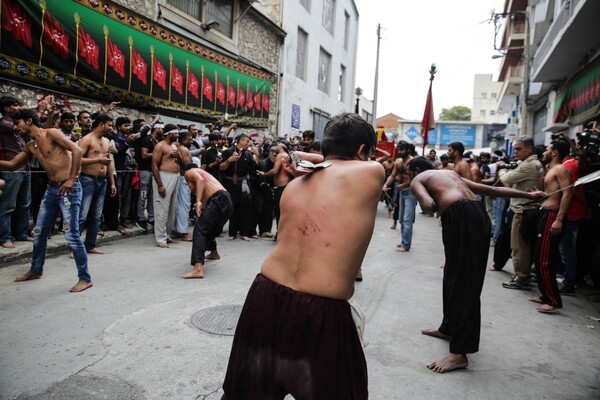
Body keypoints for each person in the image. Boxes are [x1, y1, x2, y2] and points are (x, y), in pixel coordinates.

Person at [222, 113, 383, 399]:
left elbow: (310, 159)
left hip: (265, 293)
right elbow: (355, 165)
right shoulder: (370, 173)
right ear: (363, 151)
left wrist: (304, 160)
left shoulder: (294, 185)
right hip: (319, 308)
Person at [407, 157, 544, 373]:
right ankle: (449, 327)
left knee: (463, 282)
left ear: (414, 170)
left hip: (460, 217)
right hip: (476, 215)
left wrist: (424, 200)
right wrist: (528, 194)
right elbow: (489, 190)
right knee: (454, 275)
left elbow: (429, 206)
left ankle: (459, 353)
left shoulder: (418, 179)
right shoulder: (450, 175)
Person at [0, 109, 92, 292]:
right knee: (39, 232)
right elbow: (12, 165)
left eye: (17, 123)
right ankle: (36, 269)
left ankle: (85, 278)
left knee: (71, 235)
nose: (15, 127)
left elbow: (77, 150)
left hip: (70, 189)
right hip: (51, 190)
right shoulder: (30, 146)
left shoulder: (51, 133)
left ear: (27, 121)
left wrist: (72, 178)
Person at [528, 140, 573, 313]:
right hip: (545, 213)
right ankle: (545, 295)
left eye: (547, 149)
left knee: (544, 260)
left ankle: (554, 301)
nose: (544, 152)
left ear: (554, 152)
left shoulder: (561, 169)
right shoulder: (550, 170)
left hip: (552, 215)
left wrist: (559, 219)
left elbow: (568, 193)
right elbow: (554, 193)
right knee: (539, 258)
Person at [499, 137, 544, 290]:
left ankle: (522, 278)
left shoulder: (529, 165)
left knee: (519, 247)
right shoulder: (529, 164)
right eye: (515, 149)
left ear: (530, 149)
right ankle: (521, 275)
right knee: (521, 246)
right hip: (524, 209)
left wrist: (502, 170)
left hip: (522, 210)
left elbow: (506, 178)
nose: (515, 152)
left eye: (519, 149)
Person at [180, 164, 233, 279]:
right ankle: (214, 252)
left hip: (219, 199)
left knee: (200, 229)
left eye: (187, 184)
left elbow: (200, 180)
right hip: (226, 200)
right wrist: (201, 204)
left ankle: (198, 269)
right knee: (208, 227)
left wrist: (198, 201)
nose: (188, 186)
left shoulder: (189, 172)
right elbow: (205, 194)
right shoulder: (204, 181)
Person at [77, 114, 116, 255]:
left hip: (102, 181)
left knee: (96, 216)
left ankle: (90, 245)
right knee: (82, 215)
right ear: (101, 124)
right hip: (87, 179)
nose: (111, 128)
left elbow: (109, 163)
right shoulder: (86, 139)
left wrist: (112, 182)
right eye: (109, 125)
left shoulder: (107, 141)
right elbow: (78, 160)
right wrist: (97, 159)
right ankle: (74, 247)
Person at [0, 96, 32, 249]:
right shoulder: (4, 123)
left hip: (25, 168)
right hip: (11, 169)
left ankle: (22, 233)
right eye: (15, 105)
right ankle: (5, 237)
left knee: (25, 204)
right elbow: (20, 128)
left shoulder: (17, 123)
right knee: (8, 205)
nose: (18, 107)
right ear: (6, 108)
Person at [219, 133, 259, 240]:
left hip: (244, 183)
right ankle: (232, 233)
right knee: (233, 207)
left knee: (245, 208)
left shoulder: (248, 154)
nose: (248, 143)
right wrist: (229, 160)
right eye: (247, 141)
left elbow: (254, 168)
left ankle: (244, 233)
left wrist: (257, 155)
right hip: (230, 183)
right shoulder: (228, 151)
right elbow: (221, 168)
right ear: (240, 141)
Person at [151, 124, 181, 248]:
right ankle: (160, 238)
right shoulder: (160, 146)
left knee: (172, 209)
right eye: (175, 133)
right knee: (161, 208)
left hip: (176, 176)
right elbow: (154, 166)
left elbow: (181, 163)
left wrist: (179, 157)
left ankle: (167, 234)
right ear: (169, 134)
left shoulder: (174, 146)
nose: (177, 135)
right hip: (164, 176)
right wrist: (160, 185)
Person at [383, 140, 415, 252]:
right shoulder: (398, 162)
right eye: (398, 150)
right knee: (401, 219)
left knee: (407, 219)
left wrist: (404, 185)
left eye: (402, 150)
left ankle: (406, 245)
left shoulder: (413, 161)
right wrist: (386, 184)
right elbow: (392, 175)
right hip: (401, 192)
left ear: (407, 150)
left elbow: (416, 179)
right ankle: (403, 242)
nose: (399, 152)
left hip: (411, 192)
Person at [172, 131, 193, 241]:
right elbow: (186, 166)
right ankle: (183, 232)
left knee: (180, 205)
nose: (192, 141)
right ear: (184, 140)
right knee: (184, 205)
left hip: (183, 178)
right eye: (190, 139)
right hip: (183, 178)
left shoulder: (183, 149)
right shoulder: (183, 149)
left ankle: (176, 230)